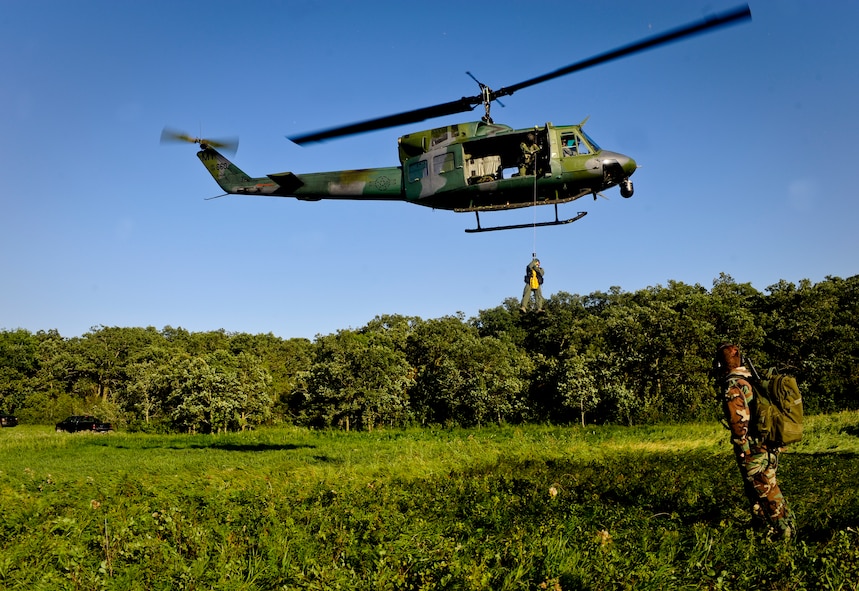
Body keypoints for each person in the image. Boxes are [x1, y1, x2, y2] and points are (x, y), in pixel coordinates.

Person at [713, 343, 795, 539]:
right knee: (761, 489)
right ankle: (766, 529)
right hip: (769, 444)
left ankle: (784, 531)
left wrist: (743, 449)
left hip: (754, 448)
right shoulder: (751, 379)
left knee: (765, 490)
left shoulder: (734, 386)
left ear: (720, 364)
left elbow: (739, 421)